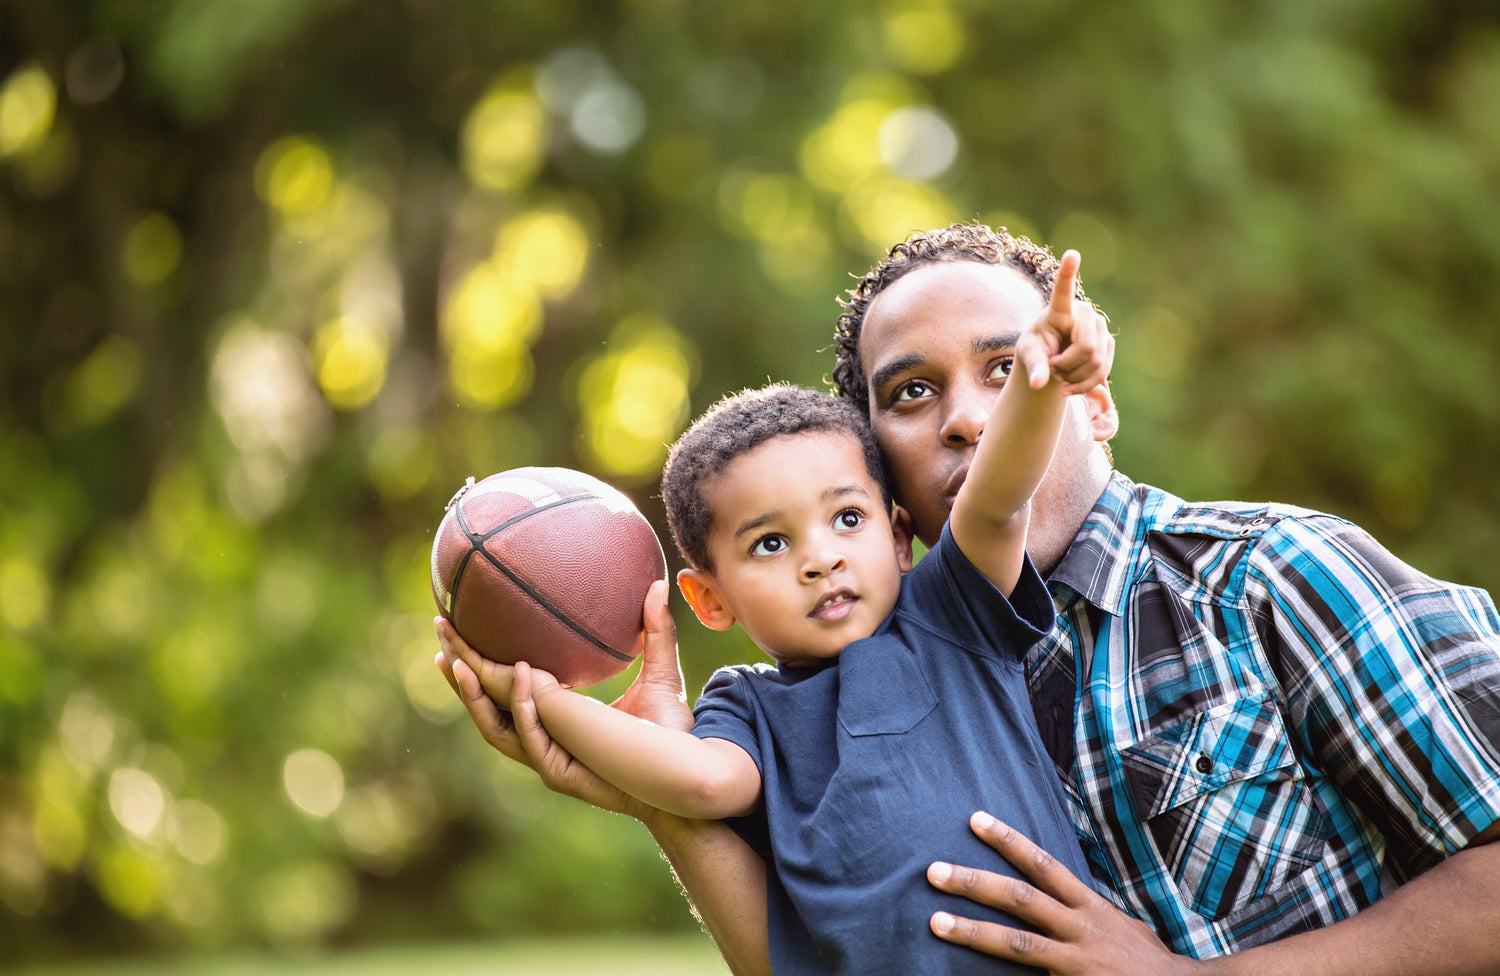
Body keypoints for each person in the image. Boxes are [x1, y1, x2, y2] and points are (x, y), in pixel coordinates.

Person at [437, 223, 1500, 975]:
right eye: (912, 392)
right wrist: (634, 777)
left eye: (1009, 367)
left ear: (1092, 395)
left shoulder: (1273, 576)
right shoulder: (835, 694)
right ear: (881, 468)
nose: (964, 420)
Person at [441, 247, 1111, 974]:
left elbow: (997, 491)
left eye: (847, 520)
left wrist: (1042, 382)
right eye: (769, 543)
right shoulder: (745, 706)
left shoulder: (950, 617)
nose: (818, 559)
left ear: (898, 534)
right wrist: (539, 696)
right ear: (710, 598)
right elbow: (701, 783)